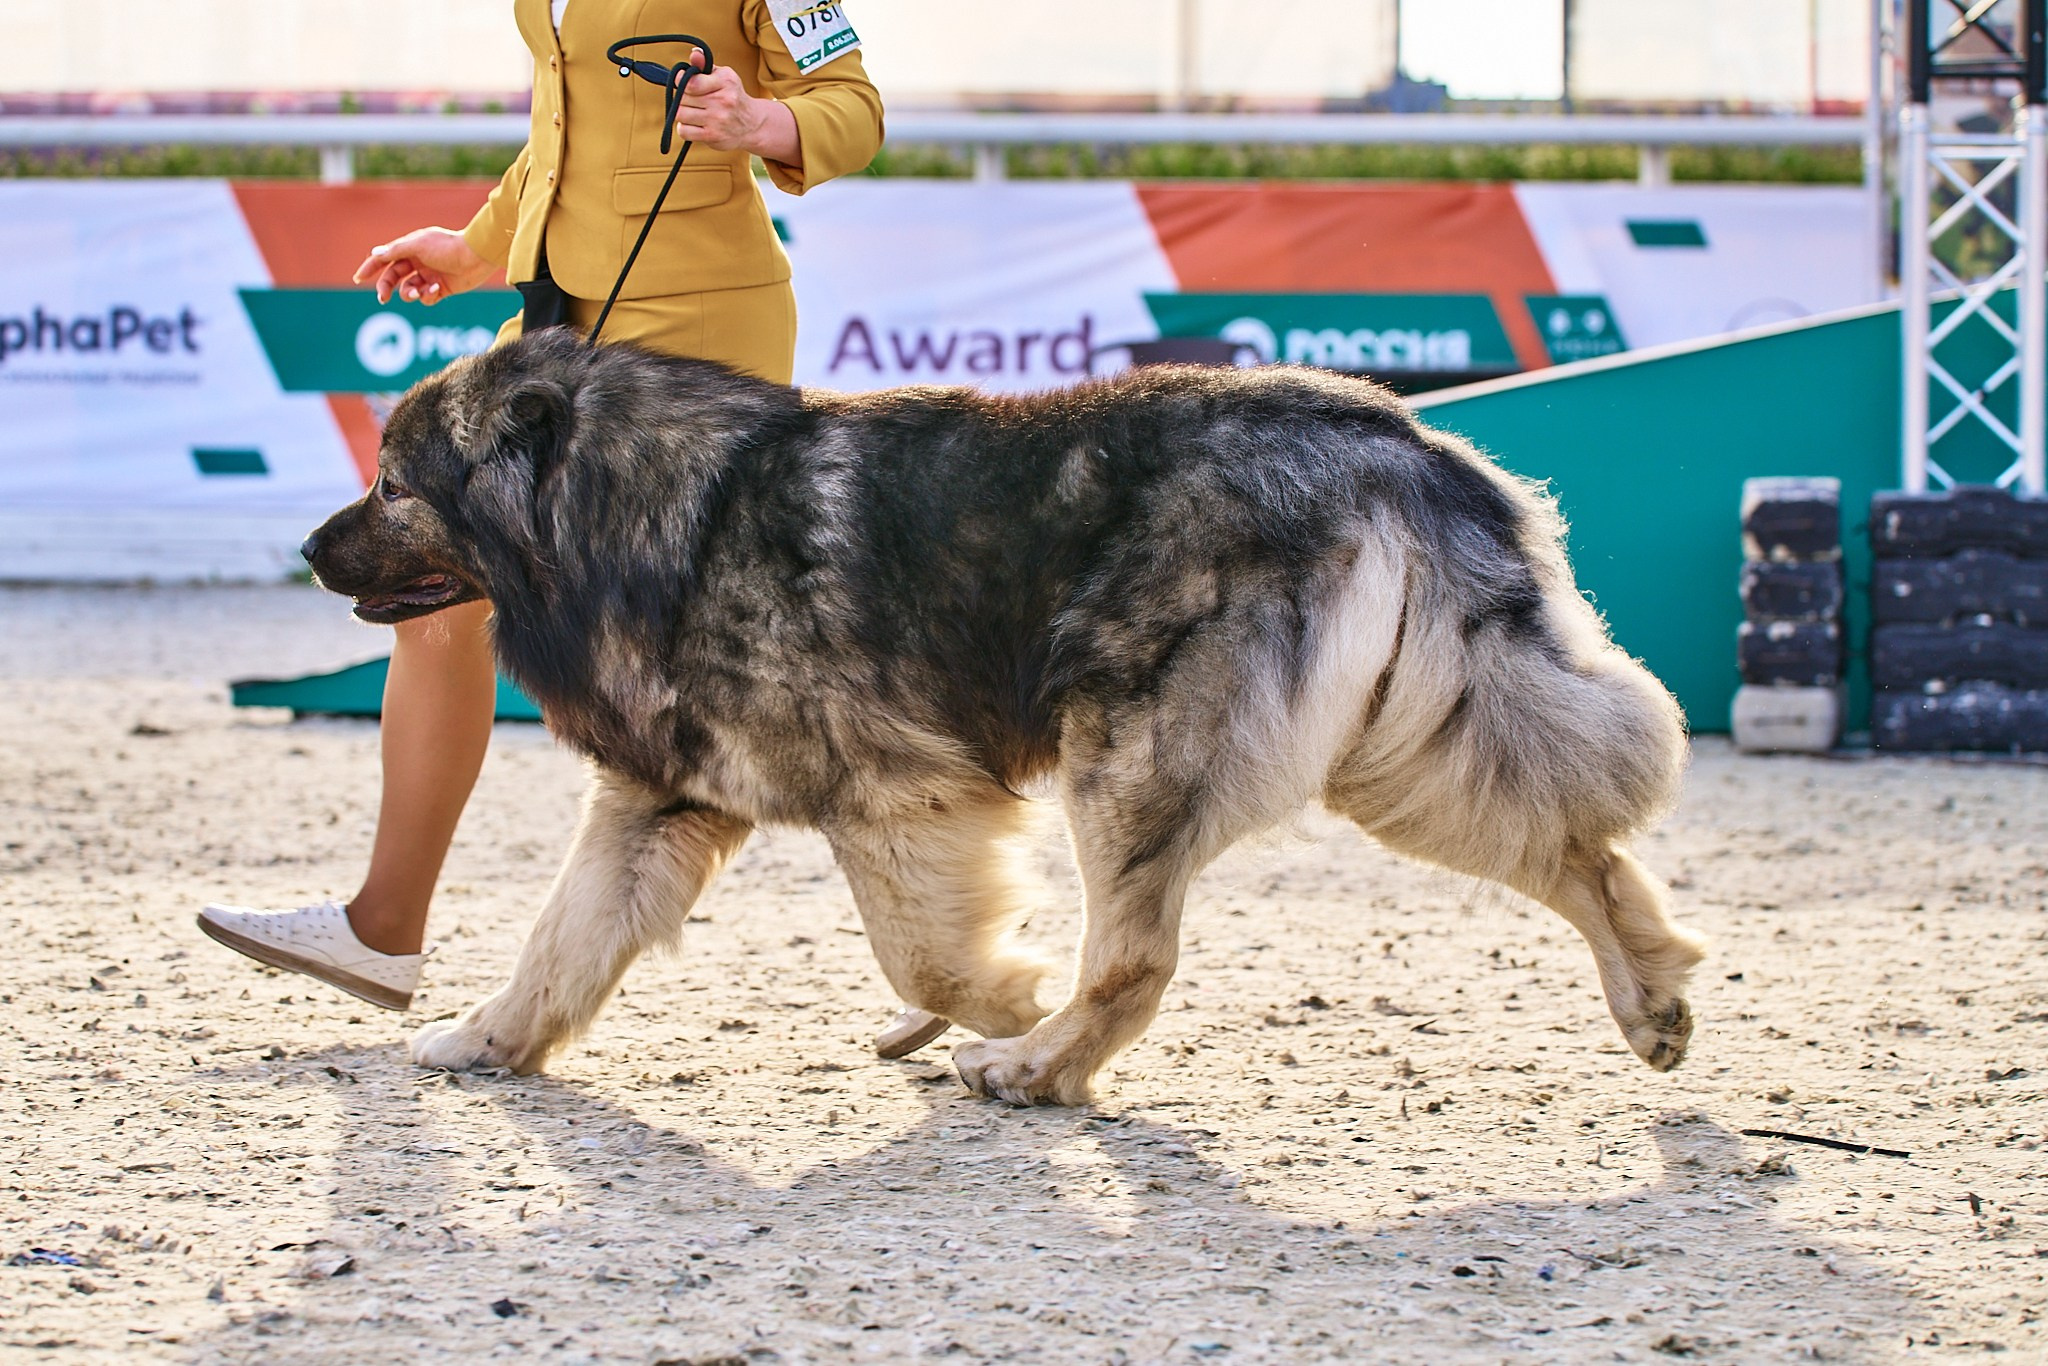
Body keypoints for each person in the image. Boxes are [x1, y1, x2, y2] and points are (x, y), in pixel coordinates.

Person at [199, 0, 947, 1060]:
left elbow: (852, 108)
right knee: (436, 596)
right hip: (556, 327)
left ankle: (935, 946)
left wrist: (763, 126)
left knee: (728, 667)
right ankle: (384, 928)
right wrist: (470, 245)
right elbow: (568, 130)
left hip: (693, 336)